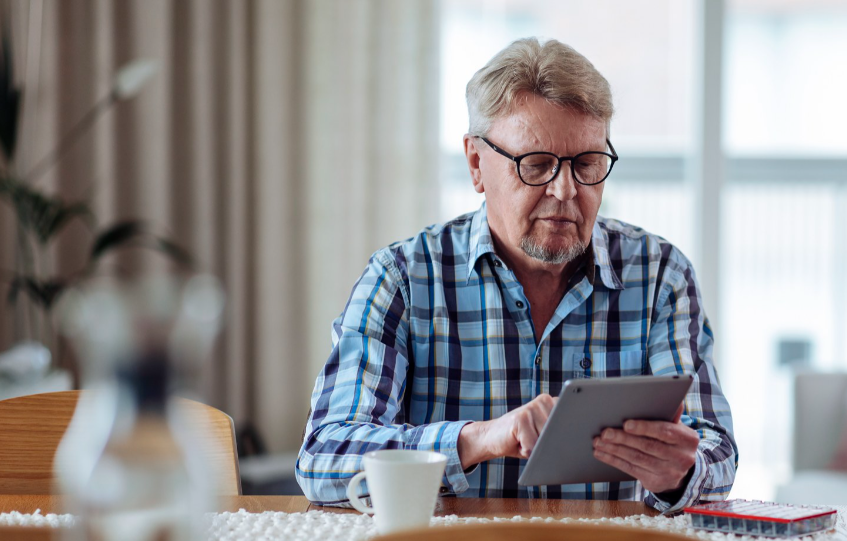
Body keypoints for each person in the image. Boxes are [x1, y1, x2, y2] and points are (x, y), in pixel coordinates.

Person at [296, 37, 736, 513]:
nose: (566, 191)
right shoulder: (402, 278)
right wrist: (478, 440)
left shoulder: (659, 277)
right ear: (475, 164)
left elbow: (715, 448)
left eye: (587, 164)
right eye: (537, 165)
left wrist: (681, 472)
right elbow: (324, 456)